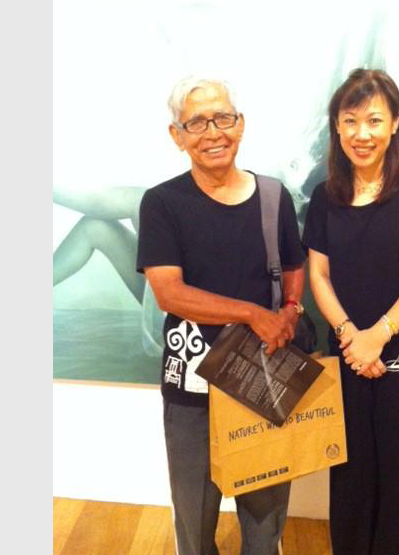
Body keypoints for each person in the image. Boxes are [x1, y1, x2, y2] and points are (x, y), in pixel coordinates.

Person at [136, 76, 306, 555]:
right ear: (177, 135)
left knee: (266, 513)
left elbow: (294, 265)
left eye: (223, 118)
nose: (213, 132)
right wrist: (253, 313)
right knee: (194, 513)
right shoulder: (162, 203)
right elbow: (169, 293)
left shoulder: (273, 196)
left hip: (263, 375)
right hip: (193, 380)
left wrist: (290, 310)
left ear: (241, 124)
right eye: (197, 122)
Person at [302, 68, 399, 555]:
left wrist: (378, 335)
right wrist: (352, 337)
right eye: (350, 121)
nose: (361, 134)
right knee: (350, 475)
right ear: (336, 127)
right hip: (349, 355)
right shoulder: (325, 195)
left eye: (373, 120)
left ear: (395, 123)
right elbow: (319, 276)